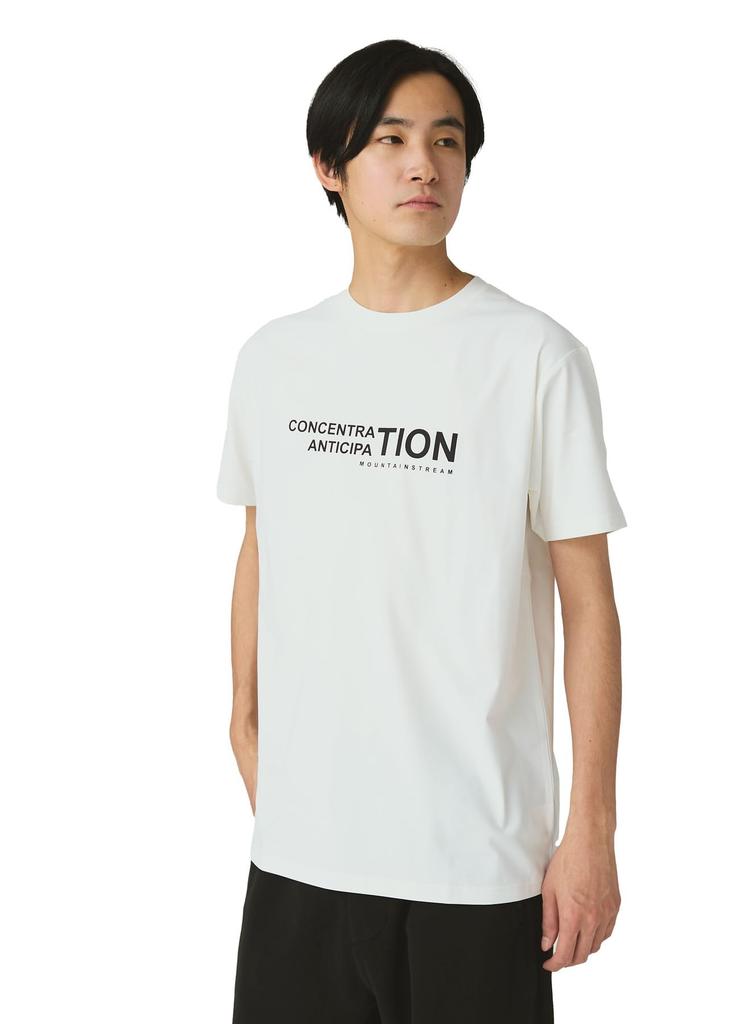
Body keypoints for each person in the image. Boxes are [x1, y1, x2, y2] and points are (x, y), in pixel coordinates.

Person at [217, 38, 626, 1024]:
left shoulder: (532, 356)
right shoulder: (276, 358)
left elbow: (588, 606)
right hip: (301, 858)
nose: (423, 166)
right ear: (329, 166)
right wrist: (243, 718)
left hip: (475, 863)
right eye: (391, 139)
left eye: (446, 141)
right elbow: (264, 543)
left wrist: (590, 833)